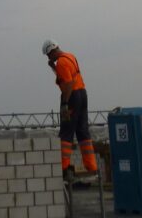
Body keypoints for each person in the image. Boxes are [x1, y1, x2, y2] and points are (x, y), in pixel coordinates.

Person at [41, 39, 98, 179]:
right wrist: (52, 67)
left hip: (72, 96)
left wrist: (65, 103)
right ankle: (91, 166)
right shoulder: (70, 57)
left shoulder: (61, 62)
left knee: (66, 132)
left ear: (52, 51)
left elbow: (68, 83)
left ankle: (62, 166)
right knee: (82, 131)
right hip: (82, 94)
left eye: (48, 55)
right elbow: (67, 76)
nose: (49, 58)